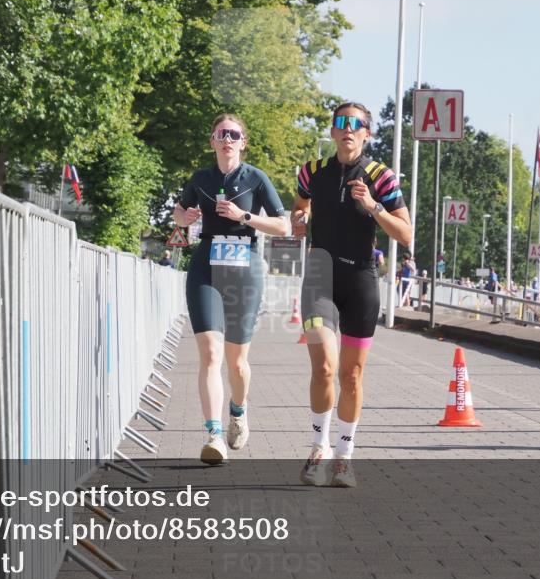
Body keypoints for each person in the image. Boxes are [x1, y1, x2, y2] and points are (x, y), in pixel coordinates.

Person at [291, 101, 413, 487]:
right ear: (332, 131)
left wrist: (373, 205)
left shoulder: (381, 176)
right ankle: (318, 448)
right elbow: (300, 211)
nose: (347, 129)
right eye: (341, 122)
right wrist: (299, 220)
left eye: (356, 124)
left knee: (352, 374)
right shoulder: (312, 172)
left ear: (366, 134)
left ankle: (344, 456)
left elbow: (406, 235)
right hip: (319, 277)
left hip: (360, 278)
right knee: (324, 367)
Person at [173, 114, 288, 463]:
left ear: (243, 142)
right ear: (212, 141)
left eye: (234, 134)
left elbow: (283, 226)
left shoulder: (255, 178)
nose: (227, 139)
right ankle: (214, 434)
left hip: (244, 267)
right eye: (221, 134)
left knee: (237, 364)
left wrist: (244, 217)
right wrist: (185, 218)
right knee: (209, 354)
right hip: (207, 264)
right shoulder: (201, 178)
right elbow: (179, 212)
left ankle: (237, 411)